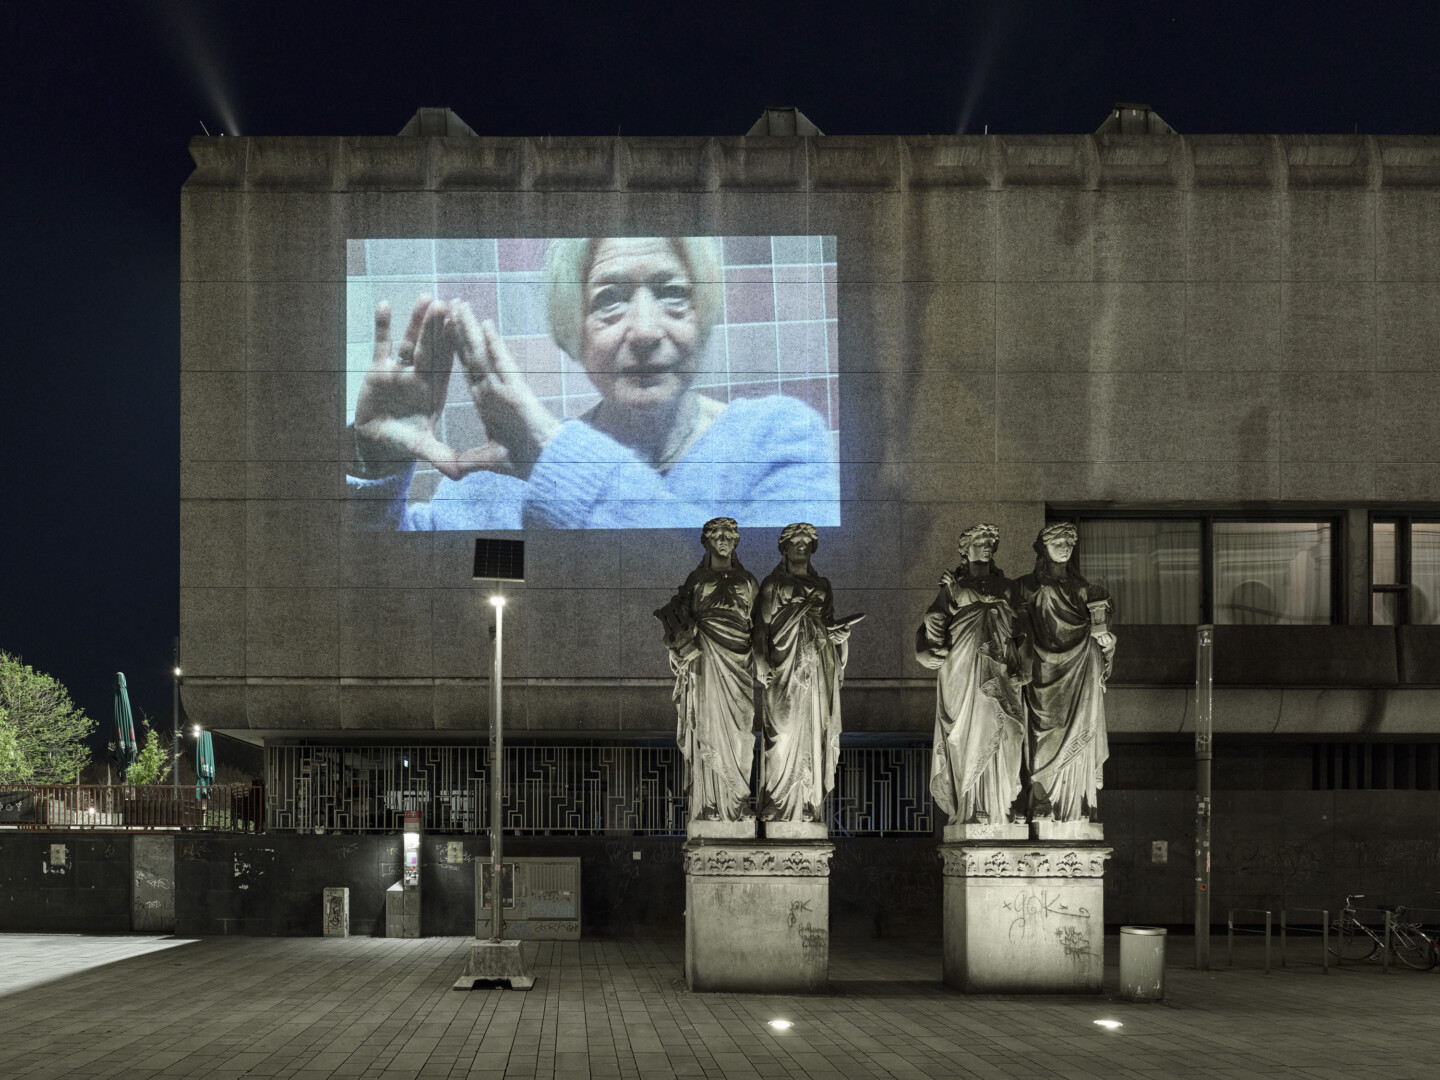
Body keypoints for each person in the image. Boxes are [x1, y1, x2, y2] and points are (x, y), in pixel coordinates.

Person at [347, 237, 839, 529]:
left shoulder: (779, 439)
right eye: (610, 299)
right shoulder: (501, 476)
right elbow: (384, 592)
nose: (645, 331)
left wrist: (548, 452)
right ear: (573, 327)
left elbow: (775, 621)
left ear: (702, 313)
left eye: (672, 293)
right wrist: (376, 466)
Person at [915, 523, 1027, 827]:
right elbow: (932, 624)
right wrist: (927, 648)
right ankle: (971, 805)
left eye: (990, 541)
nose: (986, 545)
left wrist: (1021, 662)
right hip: (964, 669)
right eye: (979, 541)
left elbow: (1023, 631)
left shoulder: (1009, 587)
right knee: (970, 732)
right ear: (965, 549)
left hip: (1001, 666)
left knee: (1008, 732)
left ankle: (1000, 804)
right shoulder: (953, 586)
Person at [752, 523, 862, 823]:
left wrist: (838, 636)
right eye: (795, 541)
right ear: (784, 547)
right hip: (784, 664)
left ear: (813, 547)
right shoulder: (772, 584)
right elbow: (761, 627)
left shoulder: (823, 585)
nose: (801, 545)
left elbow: (827, 624)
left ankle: (807, 804)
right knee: (783, 731)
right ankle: (778, 799)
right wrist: (760, 660)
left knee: (813, 732)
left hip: (816, 665)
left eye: (806, 541)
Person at [653, 517, 760, 824]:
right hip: (707, 661)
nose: (723, 539)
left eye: (728, 535)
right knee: (709, 727)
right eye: (716, 535)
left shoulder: (749, 581)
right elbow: (678, 623)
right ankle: (711, 805)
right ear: (707, 542)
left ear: (736, 540)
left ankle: (738, 803)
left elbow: (760, 627)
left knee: (741, 733)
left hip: (739, 663)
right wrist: (678, 643)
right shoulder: (696, 580)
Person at [1014, 522, 1116, 823]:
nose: (1065, 547)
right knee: (1045, 731)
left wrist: (1108, 641)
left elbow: (1103, 631)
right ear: (1044, 548)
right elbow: (1012, 622)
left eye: (1070, 542)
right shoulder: (1026, 586)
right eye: (1059, 541)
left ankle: (1074, 804)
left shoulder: (1086, 590)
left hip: (1081, 669)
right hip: (1043, 672)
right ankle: (1041, 798)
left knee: (1078, 727)